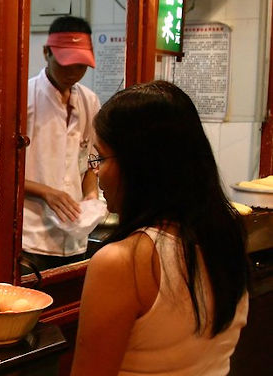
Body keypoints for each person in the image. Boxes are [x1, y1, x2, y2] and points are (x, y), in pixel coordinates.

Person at [70, 80, 249, 375]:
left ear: (139, 165)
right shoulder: (226, 236)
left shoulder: (122, 263)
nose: (97, 170)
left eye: (100, 157)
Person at [22, 16, 101, 271]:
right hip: (31, 239)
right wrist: (47, 192)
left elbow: (91, 159)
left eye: (80, 66)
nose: (73, 73)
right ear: (47, 53)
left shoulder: (89, 101)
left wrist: (91, 196)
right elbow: (1, 171)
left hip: (76, 238)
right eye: (65, 64)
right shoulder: (23, 97)